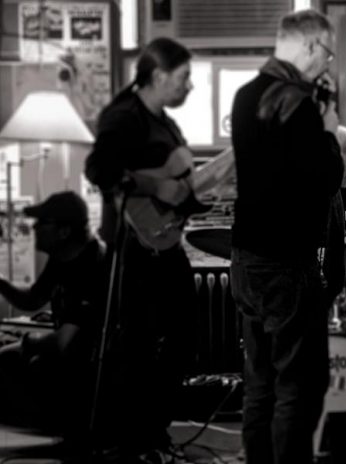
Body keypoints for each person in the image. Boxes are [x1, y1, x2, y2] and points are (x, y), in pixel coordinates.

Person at [229, 9, 343, 464]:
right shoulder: (296, 103)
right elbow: (325, 178)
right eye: (328, 53)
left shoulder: (244, 96)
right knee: (301, 385)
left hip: (245, 259)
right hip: (284, 263)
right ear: (311, 46)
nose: (327, 65)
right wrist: (331, 130)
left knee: (260, 384)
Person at [84, 37, 199, 460]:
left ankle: (152, 428)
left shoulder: (161, 120)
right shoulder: (124, 116)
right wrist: (156, 185)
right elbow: (98, 168)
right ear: (158, 75)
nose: (190, 87)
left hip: (164, 242)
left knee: (183, 335)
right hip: (135, 247)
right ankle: (135, 438)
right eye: (185, 77)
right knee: (137, 344)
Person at [0, 191, 106, 451]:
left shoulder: (93, 265)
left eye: (42, 223)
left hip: (87, 374)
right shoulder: (62, 258)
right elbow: (33, 300)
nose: (34, 228)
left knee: (10, 363)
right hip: (67, 358)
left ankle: (66, 436)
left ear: (63, 231)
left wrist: (24, 343)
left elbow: (63, 343)